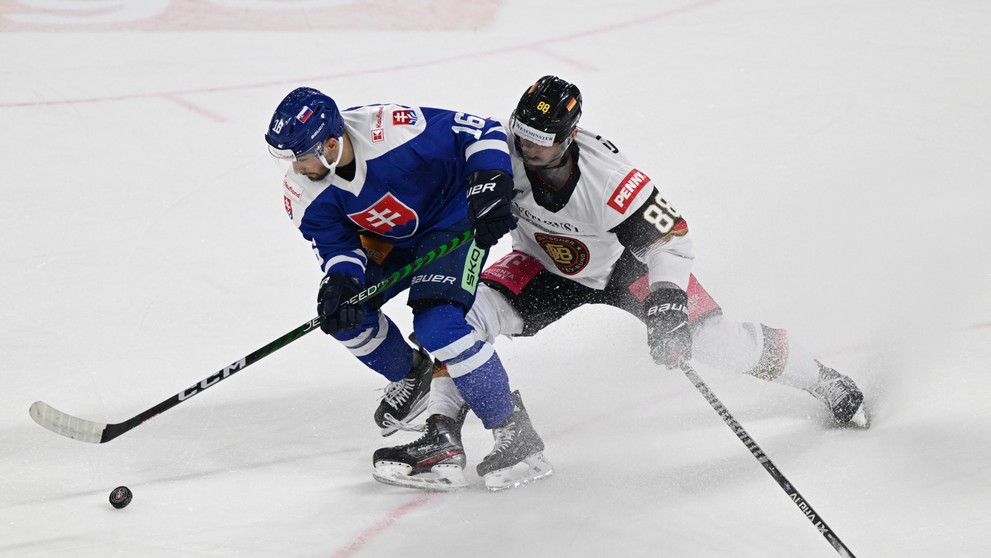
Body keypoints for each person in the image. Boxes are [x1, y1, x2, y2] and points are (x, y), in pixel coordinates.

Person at [372, 75, 869, 492]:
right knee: (461, 321)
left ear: (570, 136)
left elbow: (670, 238)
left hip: (626, 272)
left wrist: (670, 299)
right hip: (540, 263)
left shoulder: (609, 179)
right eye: (521, 134)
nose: (526, 147)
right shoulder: (499, 152)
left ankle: (823, 379)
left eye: (540, 141)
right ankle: (445, 434)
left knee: (715, 342)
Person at [264, 87, 551, 490]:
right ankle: (413, 379)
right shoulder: (304, 189)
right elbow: (335, 243)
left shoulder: (390, 131)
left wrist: (490, 182)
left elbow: (482, 131)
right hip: (390, 239)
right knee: (344, 316)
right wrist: (342, 278)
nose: (296, 167)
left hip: (452, 222)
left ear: (331, 143)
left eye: (302, 154)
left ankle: (515, 434)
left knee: (440, 325)